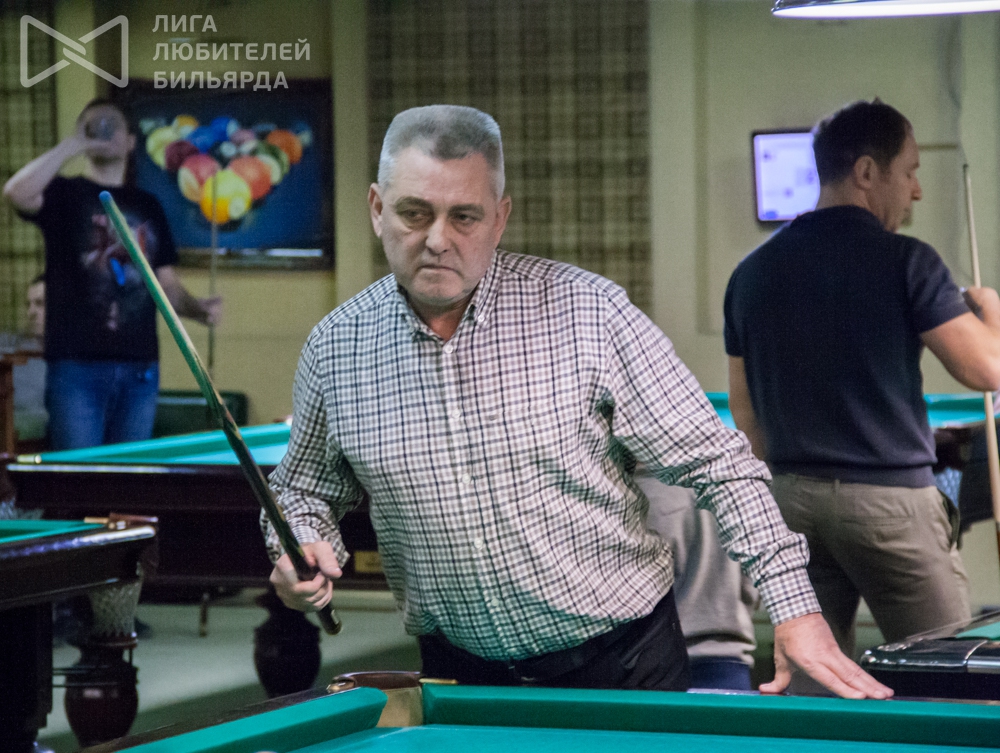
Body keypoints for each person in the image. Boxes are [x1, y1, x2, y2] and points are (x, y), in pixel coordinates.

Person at [265, 104, 890, 699]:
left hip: (622, 665)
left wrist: (795, 610)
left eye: (464, 217)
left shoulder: (590, 312)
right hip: (460, 677)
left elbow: (720, 465)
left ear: (499, 219)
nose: (437, 239)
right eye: (413, 212)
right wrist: (301, 544)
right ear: (377, 209)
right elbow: (302, 490)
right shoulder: (335, 347)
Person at [724, 99, 1000, 661]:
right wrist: (991, 312)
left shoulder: (750, 272)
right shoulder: (908, 260)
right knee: (948, 674)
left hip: (792, 503)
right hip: (889, 508)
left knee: (815, 678)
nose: (916, 191)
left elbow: (745, 410)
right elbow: (986, 369)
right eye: (910, 172)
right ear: (867, 172)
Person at [2, 99, 221, 450]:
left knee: (129, 478)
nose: (103, 131)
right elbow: (16, 192)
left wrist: (199, 309)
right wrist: (73, 144)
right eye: (94, 125)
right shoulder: (63, 193)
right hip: (76, 367)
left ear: (131, 141)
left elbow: (166, 286)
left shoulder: (149, 205)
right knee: (79, 476)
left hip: (140, 368)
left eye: (111, 124)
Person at [635, 471, 758, 690]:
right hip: (732, 662)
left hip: (662, 667)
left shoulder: (643, 495)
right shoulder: (734, 488)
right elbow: (753, 582)